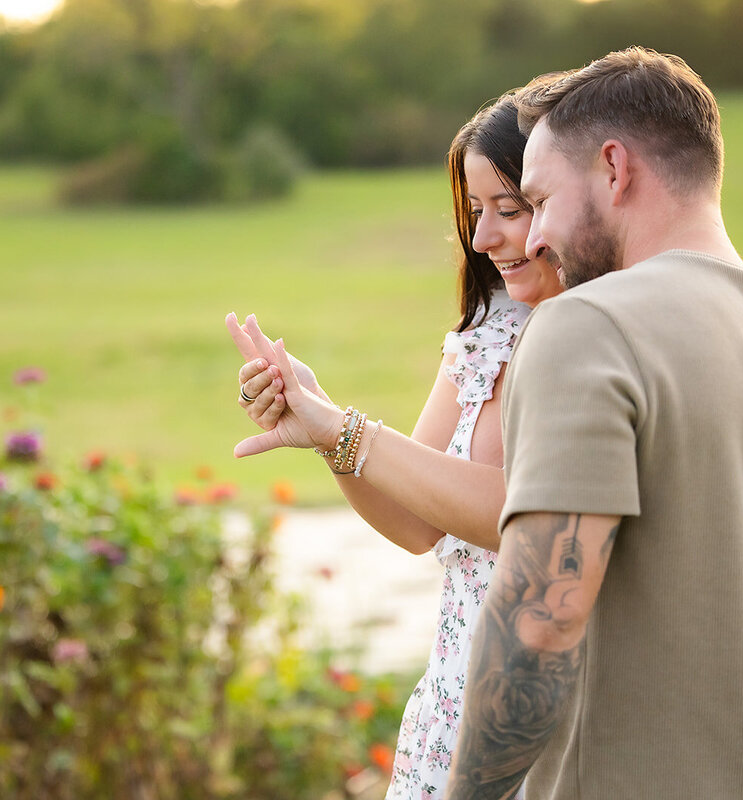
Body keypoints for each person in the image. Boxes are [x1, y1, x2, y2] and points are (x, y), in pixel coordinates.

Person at [445, 47, 743, 800]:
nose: (535, 238)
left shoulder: (586, 328)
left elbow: (538, 622)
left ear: (615, 169)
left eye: (542, 201)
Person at [225, 92, 563, 798]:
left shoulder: (598, 341)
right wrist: (318, 427)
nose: (483, 238)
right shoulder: (483, 338)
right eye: (475, 213)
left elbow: (524, 514)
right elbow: (417, 523)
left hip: (557, 712)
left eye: (510, 208)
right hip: (457, 697)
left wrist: (343, 429)